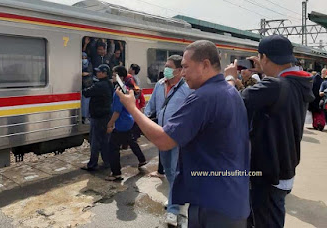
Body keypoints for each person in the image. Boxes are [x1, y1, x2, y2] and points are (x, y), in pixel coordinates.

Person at [117, 40, 250, 227]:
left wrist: (132, 108)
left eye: (186, 67)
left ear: (205, 64)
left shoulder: (203, 97)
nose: (183, 72)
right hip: (232, 196)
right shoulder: (229, 91)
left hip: (212, 203)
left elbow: (164, 141)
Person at [224, 35, 314, 227]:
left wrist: (230, 78)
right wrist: (266, 72)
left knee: (266, 221)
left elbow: (231, 102)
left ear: (264, 57)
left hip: (268, 171)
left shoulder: (274, 86)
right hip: (284, 166)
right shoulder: (298, 83)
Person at [143, 55, 192, 226]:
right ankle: (176, 199)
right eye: (165, 66)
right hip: (161, 136)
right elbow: (151, 108)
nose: (166, 70)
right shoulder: (159, 85)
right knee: (169, 172)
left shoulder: (187, 88)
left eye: (169, 67)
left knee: (175, 171)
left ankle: (173, 210)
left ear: (179, 71)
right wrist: (142, 119)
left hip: (178, 137)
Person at [106, 66, 147, 181]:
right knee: (131, 140)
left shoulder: (118, 92)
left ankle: (116, 173)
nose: (112, 77)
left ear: (121, 77)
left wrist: (110, 124)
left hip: (122, 123)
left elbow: (117, 112)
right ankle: (142, 159)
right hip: (128, 121)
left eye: (114, 75)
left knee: (113, 148)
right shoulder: (125, 88)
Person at [81, 64, 113, 171]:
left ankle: (92, 164)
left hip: (98, 117)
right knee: (104, 141)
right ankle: (107, 161)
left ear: (104, 73)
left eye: (99, 72)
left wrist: (85, 79)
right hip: (106, 116)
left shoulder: (100, 85)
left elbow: (86, 93)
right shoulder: (109, 83)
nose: (97, 73)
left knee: (95, 141)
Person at [81, 52, 93, 124]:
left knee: (86, 103)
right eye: (82, 58)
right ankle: (84, 117)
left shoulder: (89, 64)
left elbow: (91, 72)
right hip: (82, 85)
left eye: (85, 58)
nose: (84, 59)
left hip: (87, 85)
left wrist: (87, 74)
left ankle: (86, 117)